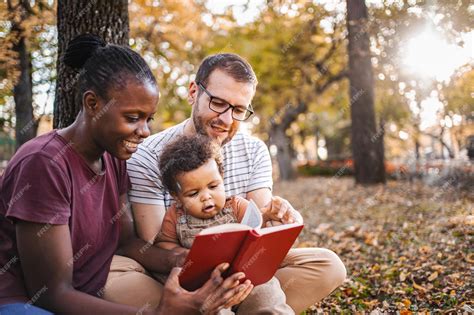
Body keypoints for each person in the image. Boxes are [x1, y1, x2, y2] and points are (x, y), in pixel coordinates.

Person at [0, 35, 252, 315]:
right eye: (133, 118)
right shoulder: (44, 163)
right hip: (21, 305)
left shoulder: (113, 157)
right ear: (93, 104)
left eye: (148, 119)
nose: (144, 131)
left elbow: (128, 242)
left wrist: (182, 259)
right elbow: (51, 295)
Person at [127, 53, 347, 313]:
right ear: (193, 92)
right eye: (218, 103)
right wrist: (191, 260)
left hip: (247, 274)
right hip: (182, 276)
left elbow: (261, 225)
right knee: (120, 279)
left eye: (239, 110)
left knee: (328, 265)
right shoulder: (148, 155)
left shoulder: (254, 150)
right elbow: (153, 245)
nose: (227, 120)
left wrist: (278, 217)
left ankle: (249, 305)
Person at [155, 134, 295, 314]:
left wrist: (268, 215)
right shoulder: (175, 216)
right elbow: (163, 244)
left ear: (222, 177)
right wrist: (182, 255)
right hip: (205, 286)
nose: (206, 196)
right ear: (176, 197)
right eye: (193, 194)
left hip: (247, 279)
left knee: (269, 297)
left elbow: (257, 229)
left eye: (213, 186)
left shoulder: (237, 206)